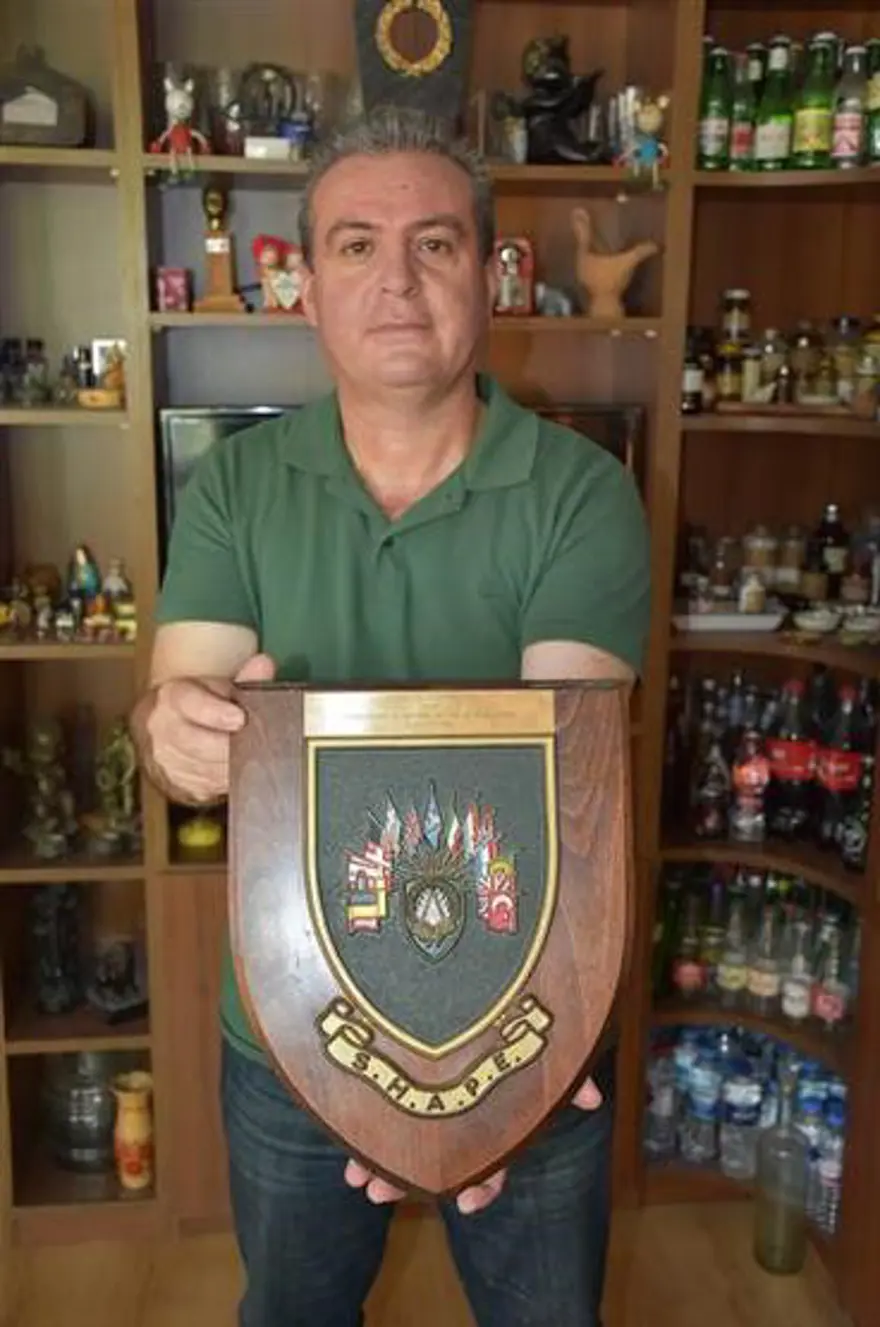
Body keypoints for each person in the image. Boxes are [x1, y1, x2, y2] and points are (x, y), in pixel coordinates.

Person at [130, 105, 651, 1327]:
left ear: (489, 276)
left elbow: (567, 801)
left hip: (529, 1029)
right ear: (306, 288)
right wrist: (174, 733)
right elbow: (173, 727)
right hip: (289, 1027)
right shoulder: (234, 488)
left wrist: (476, 1090)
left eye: (435, 243)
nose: (398, 280)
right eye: (356, 245)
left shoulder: (583, 495)